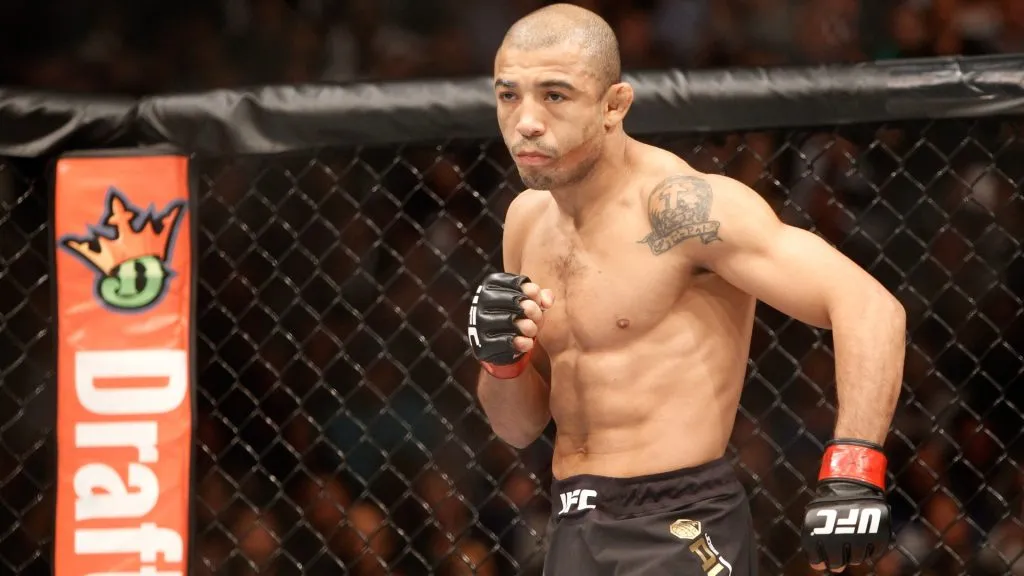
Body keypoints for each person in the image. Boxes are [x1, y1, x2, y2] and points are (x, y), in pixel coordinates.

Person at [467, 4, 906, 575]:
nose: (526, 120)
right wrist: (501, 363)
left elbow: (869, 305)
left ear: (613, 105)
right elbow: (518, 427)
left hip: (681, 520)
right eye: (509, 96)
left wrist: (854, 466)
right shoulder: (526, 220)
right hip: (572, 520)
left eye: (555, 95)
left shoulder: (683, 209)